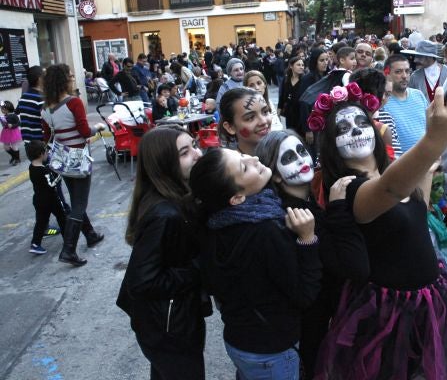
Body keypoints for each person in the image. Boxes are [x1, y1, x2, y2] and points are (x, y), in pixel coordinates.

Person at [311, 82, 447, 380]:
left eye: (361, 121)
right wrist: (435, 137)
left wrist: (431, 156)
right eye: (343, 128)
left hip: (429, 303)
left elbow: (416, 201)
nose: (355, 130)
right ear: (331, 144)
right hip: (389, 316)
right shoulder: (349, 190)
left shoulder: (394, 169)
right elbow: (391, 189)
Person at [188, 148, 321, 379]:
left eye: (242, 155)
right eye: (244, 166)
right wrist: (307, 239)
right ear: (237, 198)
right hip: (271, 351)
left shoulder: (213, 223)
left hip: (238, 342)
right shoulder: (265, 230)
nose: (255, 158)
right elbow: (304, 295)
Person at [255, 130, 364, 378]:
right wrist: (336, 210)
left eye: (302, 151)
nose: (301, 160)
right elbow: (346, 268)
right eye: (289, 158)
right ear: (276, 176)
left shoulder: (308, 202)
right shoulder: (290, 218)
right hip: (310, 329)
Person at [116, 126, 209, 380]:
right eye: (185, 152)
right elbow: (142, 280)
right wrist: (196, 272)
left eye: (193, 145)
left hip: (168, 323)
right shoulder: (164, 215)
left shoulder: (178, 197)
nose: (197, 154)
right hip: (168, 326)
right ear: (164, 164)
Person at [41, 64, 105, 266]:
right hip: (78, 158)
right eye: (70, 75)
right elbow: (85, 131)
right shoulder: (74, 103)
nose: (72, 77)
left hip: (62, 160)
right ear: (63, 80)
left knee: (75, 198)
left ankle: (90, 234)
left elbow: (47, 136)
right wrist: (99, 127)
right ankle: (68, 250)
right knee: (79, 204)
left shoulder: (44, 109)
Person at [25, 141, 68, 255]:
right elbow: (52, 184)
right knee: (61, 217)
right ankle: (68, 240)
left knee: (41, 222)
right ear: (40, 154)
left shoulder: (32, 167)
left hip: (38, 199)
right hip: (50, 200)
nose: (48, 153)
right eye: (46, 152)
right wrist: (60, 173)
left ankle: (35, 244)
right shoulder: (44, 171)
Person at [382, 54, 428, 154]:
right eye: (398, 72)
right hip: (400, 165)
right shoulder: (382, 102)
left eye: (407, 71)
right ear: (387, 74)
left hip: (426, 161)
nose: (404, 76)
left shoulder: (418, 95)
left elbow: (428, 127)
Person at [218, 87, 272, 155]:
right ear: (230, 127)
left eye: (265, 112)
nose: (263, 121)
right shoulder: (232, 165)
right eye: (250, 118)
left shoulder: (284, 151)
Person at [17, 66, 46, 144]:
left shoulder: (23, 98)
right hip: (40, 142)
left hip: (28, 141)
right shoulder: (41, 99)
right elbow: (47, 122)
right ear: (40, 79)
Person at [278, 56, 307, 132]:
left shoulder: (305, 80)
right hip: (289, 113)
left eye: (302, 65)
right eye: (298, 65)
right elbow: (282, 96)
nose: (301, 67)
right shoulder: (286, 79)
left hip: (300, 114)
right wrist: (279, 110)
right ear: (291, 66)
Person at [1, 101, 22, 165]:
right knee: (6, 147)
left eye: (2, 109)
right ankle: (14, 156)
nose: (1, 110)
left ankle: (17, 159)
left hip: (13, 132)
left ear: (7, 109)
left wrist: (12, 125)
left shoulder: (13, 115)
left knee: (14, 146)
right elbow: (5, 124)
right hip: (6, 132)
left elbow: (19, 123)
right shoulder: (4, 116)